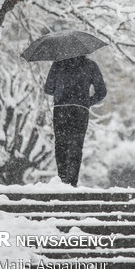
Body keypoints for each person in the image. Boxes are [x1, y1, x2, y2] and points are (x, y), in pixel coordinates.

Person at [44, 55, 106, 186]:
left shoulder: (57, 64)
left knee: (61, 145)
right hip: (80, 110)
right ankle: (72, 182)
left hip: (61, 109)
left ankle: (62, 179)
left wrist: (61, 90)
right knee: (76, 146)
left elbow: (48, 88)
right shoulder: (91, 65)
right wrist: (87, 102)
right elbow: (102, 91)